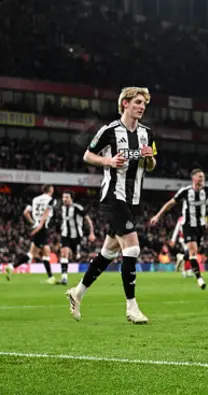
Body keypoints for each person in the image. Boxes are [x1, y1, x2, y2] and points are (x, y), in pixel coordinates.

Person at [65, 86, 156, 324]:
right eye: (137, 102)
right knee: (133, 248)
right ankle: (131, 307)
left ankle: (78, 292)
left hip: (134, 198)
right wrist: (108, 160)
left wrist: (149, 158)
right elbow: (87, 155)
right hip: (113, 196)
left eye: (144, 103)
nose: (142, 106)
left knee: (108, 252)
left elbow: (151, 166)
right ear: (125, 103)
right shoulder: (110, 131)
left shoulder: (147, 133)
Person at [149, 169, 208, 290]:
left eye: (203, 177)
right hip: (188, 225)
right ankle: (199, 278)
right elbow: (170, 203)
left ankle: (181, 257)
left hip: (200, 226)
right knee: (193, 253)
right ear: (194, 178)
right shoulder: (185, 191)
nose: (202, 179)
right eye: (200, 177)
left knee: (193, 251)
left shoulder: (207, 190)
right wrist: (158, 216)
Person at [6, 185, 56, 283]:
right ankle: (12, 266)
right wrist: (39, 226)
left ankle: (51, 277)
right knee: (33, 254)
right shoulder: (51, 200)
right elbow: (46, 213)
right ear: (51, 190)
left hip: (37, 226)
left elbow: (26, 212)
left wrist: (33, 223)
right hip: (42, 228)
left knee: (45, 251)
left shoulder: (35, 199)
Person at [57, 190, 96, 285]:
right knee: (64, 253)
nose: (64, 199)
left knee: (76, 257)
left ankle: (91, 268)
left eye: (67, 197)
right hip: (65, 235)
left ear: (71, 199)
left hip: (77, 236)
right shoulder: (61, 208)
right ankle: (64, 278)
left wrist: (91, 233)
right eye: (63, 197)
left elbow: (89, 220)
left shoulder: (78, 208)